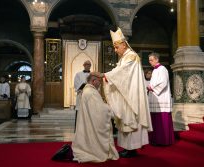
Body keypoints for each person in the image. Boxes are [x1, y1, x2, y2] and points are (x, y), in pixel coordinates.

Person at [101, 27, 153, 158]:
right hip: (126, 95)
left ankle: (132, 149)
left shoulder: (131, 57)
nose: (115, 50)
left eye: (116, 47)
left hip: (131, 96)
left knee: (130, 121)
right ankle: (128, 148)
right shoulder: (124, 57)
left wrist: (105, 75)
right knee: (125, 121)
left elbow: (122, 73)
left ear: (123, 45)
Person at [52, 72, 119, 163]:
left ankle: (70, 153)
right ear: (93, 81)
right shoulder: (91, 92)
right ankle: (70, 154)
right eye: (98, 81)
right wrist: (110, 109)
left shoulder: (88, 90)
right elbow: (100, 111)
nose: (100, 83)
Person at [147, 52, 175, 146]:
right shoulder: (155, 70)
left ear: (157, 59)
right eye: (149, 60)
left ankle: (163, 140)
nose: (149, 62)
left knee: (161, 120)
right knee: (155, 120)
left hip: (161, 98)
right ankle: (155, 140)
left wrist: (151, 87)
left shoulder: (162, 69)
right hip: (155, 98)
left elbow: (163, 82)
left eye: (151, 60)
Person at [73, 60, 91, 130]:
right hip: (81, 96)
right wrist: (82, 87)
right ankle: (78, 129)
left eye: (89, 65)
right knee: (80, 111)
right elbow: (76, 84)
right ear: (83, 65)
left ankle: (88, 129)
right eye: (86, 64)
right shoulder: (78, 74)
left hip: (89, 97)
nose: (88, 66)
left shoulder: (92, 74)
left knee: (88, 113)